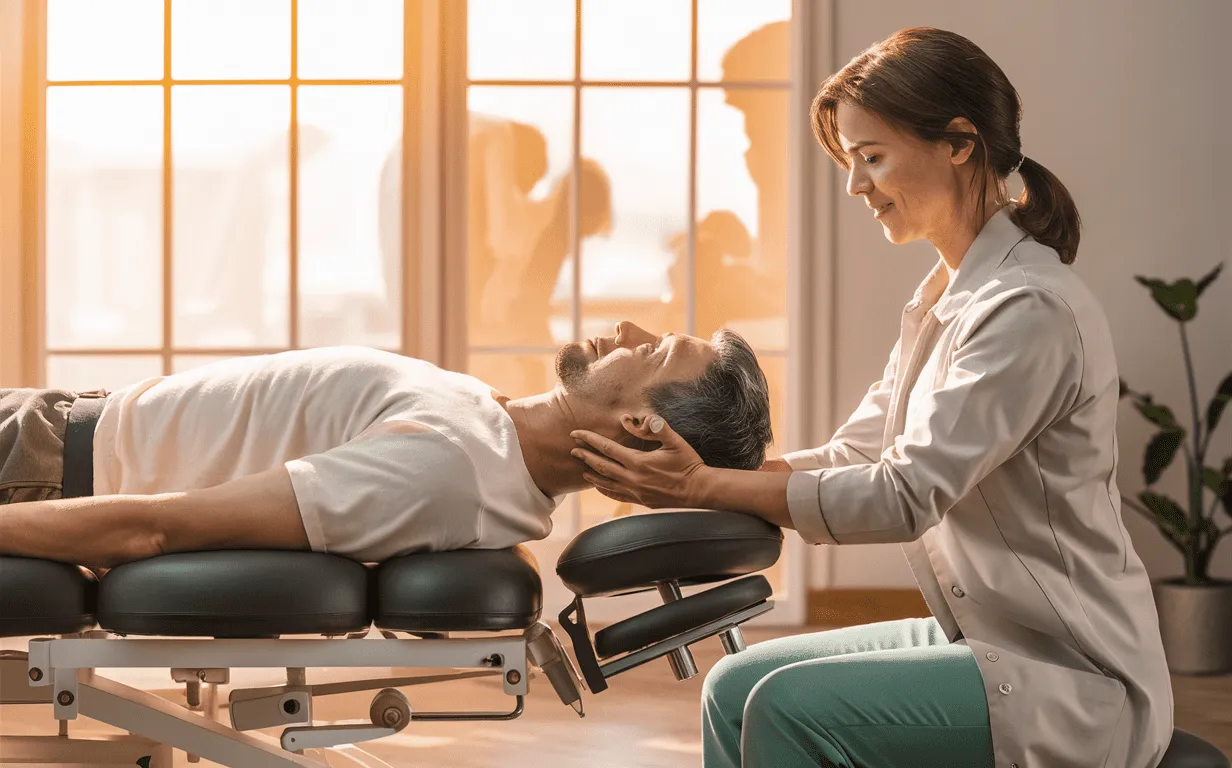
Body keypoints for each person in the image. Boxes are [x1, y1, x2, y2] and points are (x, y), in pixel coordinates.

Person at [570, 27, 1172, 768]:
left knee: (785, 710)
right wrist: (697, 481)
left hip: (1073, 674)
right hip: (991, 635)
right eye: (852, 163)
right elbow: (857, 453)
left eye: (872, 158)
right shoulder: (945, 298)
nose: (857, 186)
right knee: (733, 684)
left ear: (958, 142)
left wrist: (701, 484)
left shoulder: (1027, 310)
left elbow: (906, 494)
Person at [0, 322, 772, 572]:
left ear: (642, 424)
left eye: (654, 349)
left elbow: (157, 529)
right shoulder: (490, 436)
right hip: (47, 422)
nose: (629, 330)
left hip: (37, 471)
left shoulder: (446, 468)